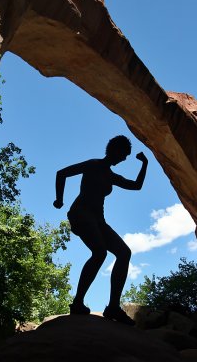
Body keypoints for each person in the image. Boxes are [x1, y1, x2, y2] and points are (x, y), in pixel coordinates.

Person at [53, 135, 148, 325]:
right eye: (123, 155)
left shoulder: (111, 176)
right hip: (81, 213)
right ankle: (77, 303)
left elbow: (136, 186)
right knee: (100, 253)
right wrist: (59, 199)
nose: (123, 159)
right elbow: (61, 173)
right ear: (114, 150)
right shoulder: (93, 164)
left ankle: (113, 307)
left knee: (124, 253)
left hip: (98, 220)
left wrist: (144, 164)